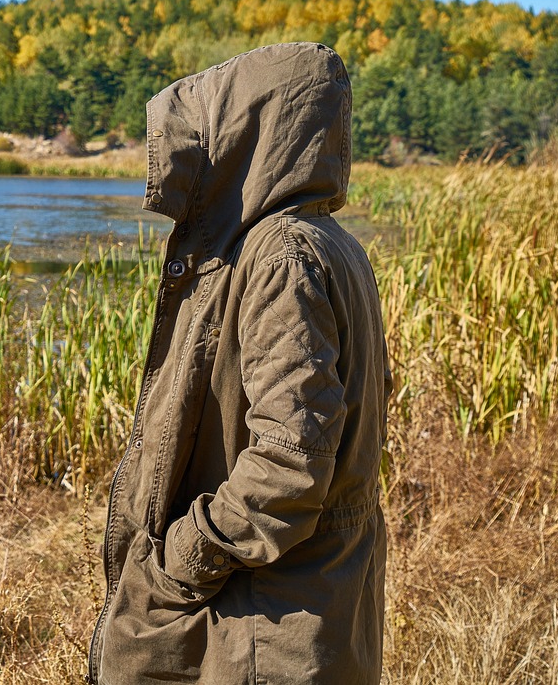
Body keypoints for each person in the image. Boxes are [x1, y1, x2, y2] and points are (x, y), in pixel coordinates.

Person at [88, 42, 391, 685]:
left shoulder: (281, 254)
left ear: (252, 135)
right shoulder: (334, 243)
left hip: (265, 626)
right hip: (312, 603)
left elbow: (290, 462)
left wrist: (181, 560)